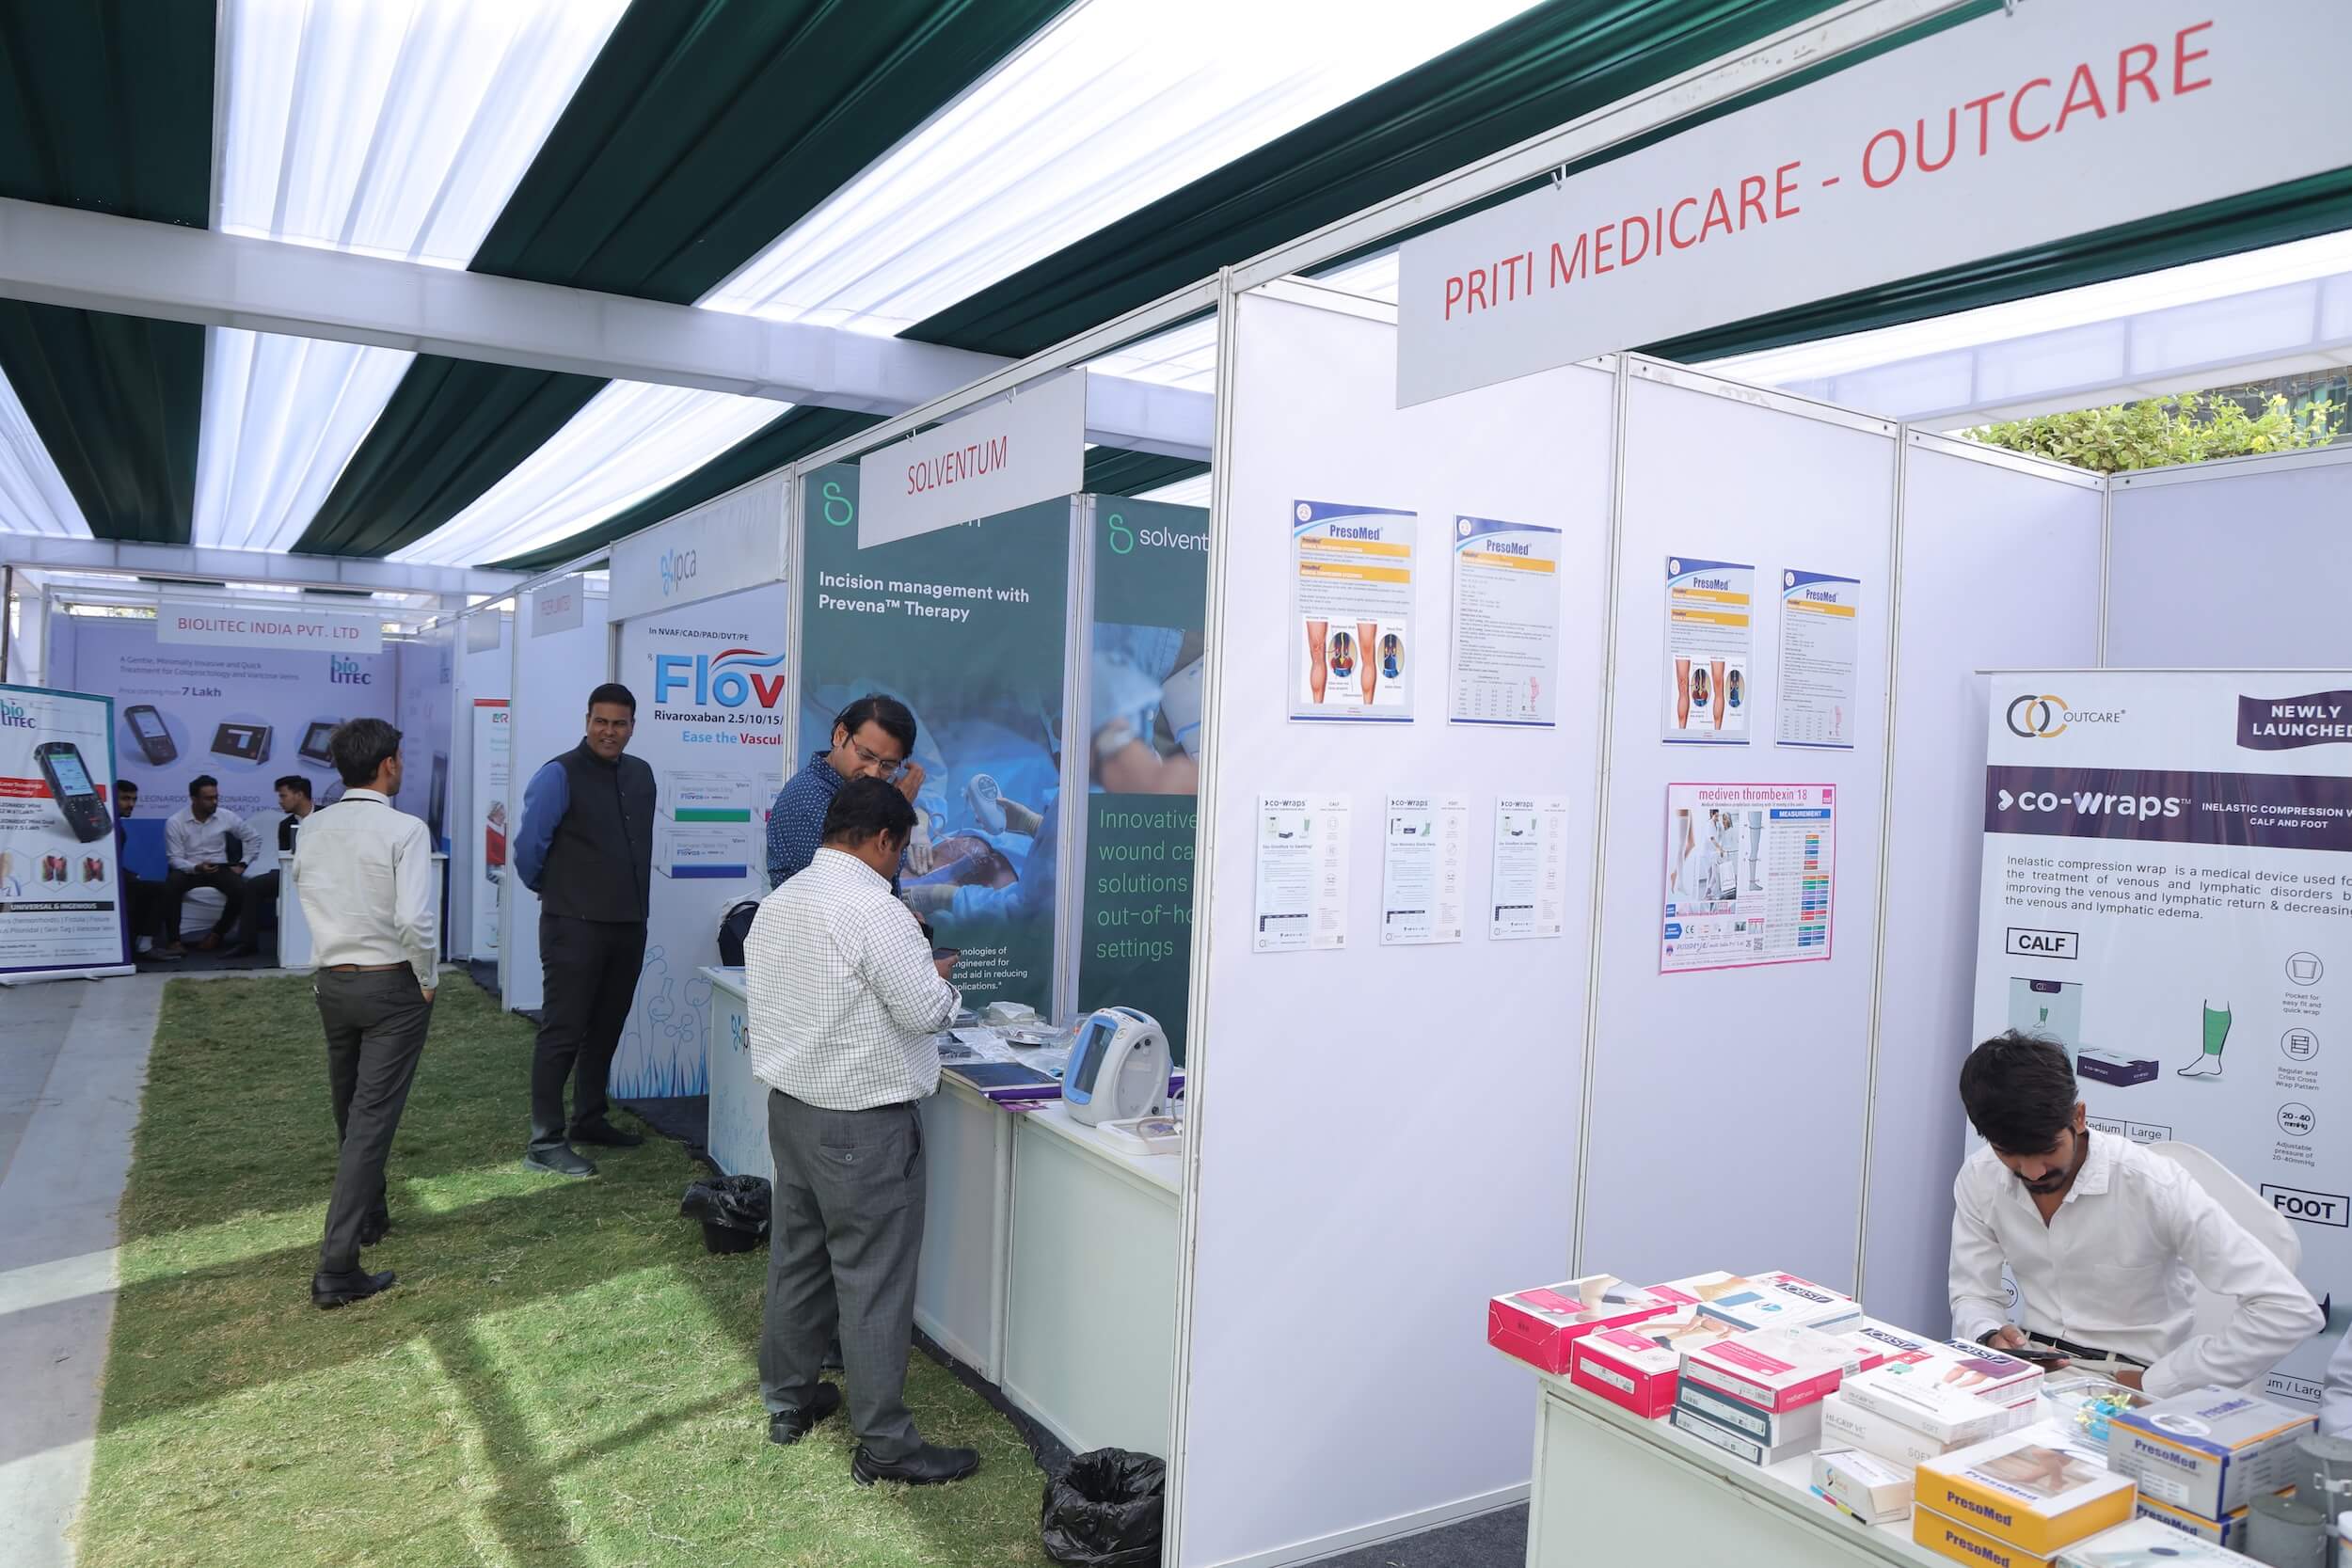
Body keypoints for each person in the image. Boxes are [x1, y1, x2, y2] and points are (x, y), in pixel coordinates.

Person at [746, 778, 976, 1486]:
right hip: (863, 1124)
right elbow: (925, 1012)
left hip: (793, 1110)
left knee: (797, 1259)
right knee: (873, 1280)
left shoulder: (780, 902)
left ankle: (789, 1400)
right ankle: (885, 1444)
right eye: (902, 850)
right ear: (882, 840)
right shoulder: (878, 911)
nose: (901, 862)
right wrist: (942, 981)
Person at [1948, 1031, 2320, 1395]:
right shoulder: (1981, 1177)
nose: (2032, 1172)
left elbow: (2288, 1310)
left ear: (2078, 1117)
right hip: (2031, 1369)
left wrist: (2157, 1384)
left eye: (2047, 1149)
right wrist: (1989, 1334)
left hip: (2131, 1379)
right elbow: (1972, 1292)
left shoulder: (2154, 1186)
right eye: (2008, 1153)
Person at [288, 720, 437, 1309]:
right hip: (389, 983)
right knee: (369, 1120)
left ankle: (371, 1216)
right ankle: (337, 1266)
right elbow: (415, 919)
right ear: (388, 764)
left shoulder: (312, 826)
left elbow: (306, 891)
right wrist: (427, 977)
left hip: (334, 980)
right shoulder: (406, 829)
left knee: (349, 1107)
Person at [513, 682, 655, 1177]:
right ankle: (545, 1141)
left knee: (607, 1027)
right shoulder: (558, 774)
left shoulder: (641, 775)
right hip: (572, 926)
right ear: (587, 721)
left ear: (632, 727)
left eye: (619, 723)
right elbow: (528, 849)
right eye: (600, 722)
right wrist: (554, 888)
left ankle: (590, 1119)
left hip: (628, 924)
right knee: (563, 1030)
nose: (608, 731)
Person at [767, 695, 929, 888]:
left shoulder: (856, 796)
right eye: (865, 755)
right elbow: (864, 879)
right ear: (840, 735)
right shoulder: (811, 797)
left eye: (887, 766)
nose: (873, 773)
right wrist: (897, 810)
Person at [159, 774, 256, 957]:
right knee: (171, 886)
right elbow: (174, 858)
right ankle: (174, 941)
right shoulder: (175, 822)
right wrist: (196, 867)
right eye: (208, 798)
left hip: (218, 868)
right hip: (189, 869)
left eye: (216, 797)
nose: (214, 802)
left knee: (241, 890)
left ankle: (217, 934)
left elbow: (253, 837)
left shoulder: (226, 816)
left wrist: (244, 863)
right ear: (194, 799)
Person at [228, 775, 316, 958]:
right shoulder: (285, 825)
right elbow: (285, 856)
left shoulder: (328, 816)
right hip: (292, 873)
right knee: (254, 886)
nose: (280, 801)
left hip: (324, 874)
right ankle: (246, 943)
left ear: (299, 795)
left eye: (283, 796)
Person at [114, 780, 174, 962]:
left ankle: (140, 944)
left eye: (134, 799)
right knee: (161, 890)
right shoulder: (110, 827)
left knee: (150, 887)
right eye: (125, 799)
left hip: (116, 879)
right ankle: (144, 946)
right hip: (107, 884)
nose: (131, 804)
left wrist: (127, 874)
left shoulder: (115, 825)